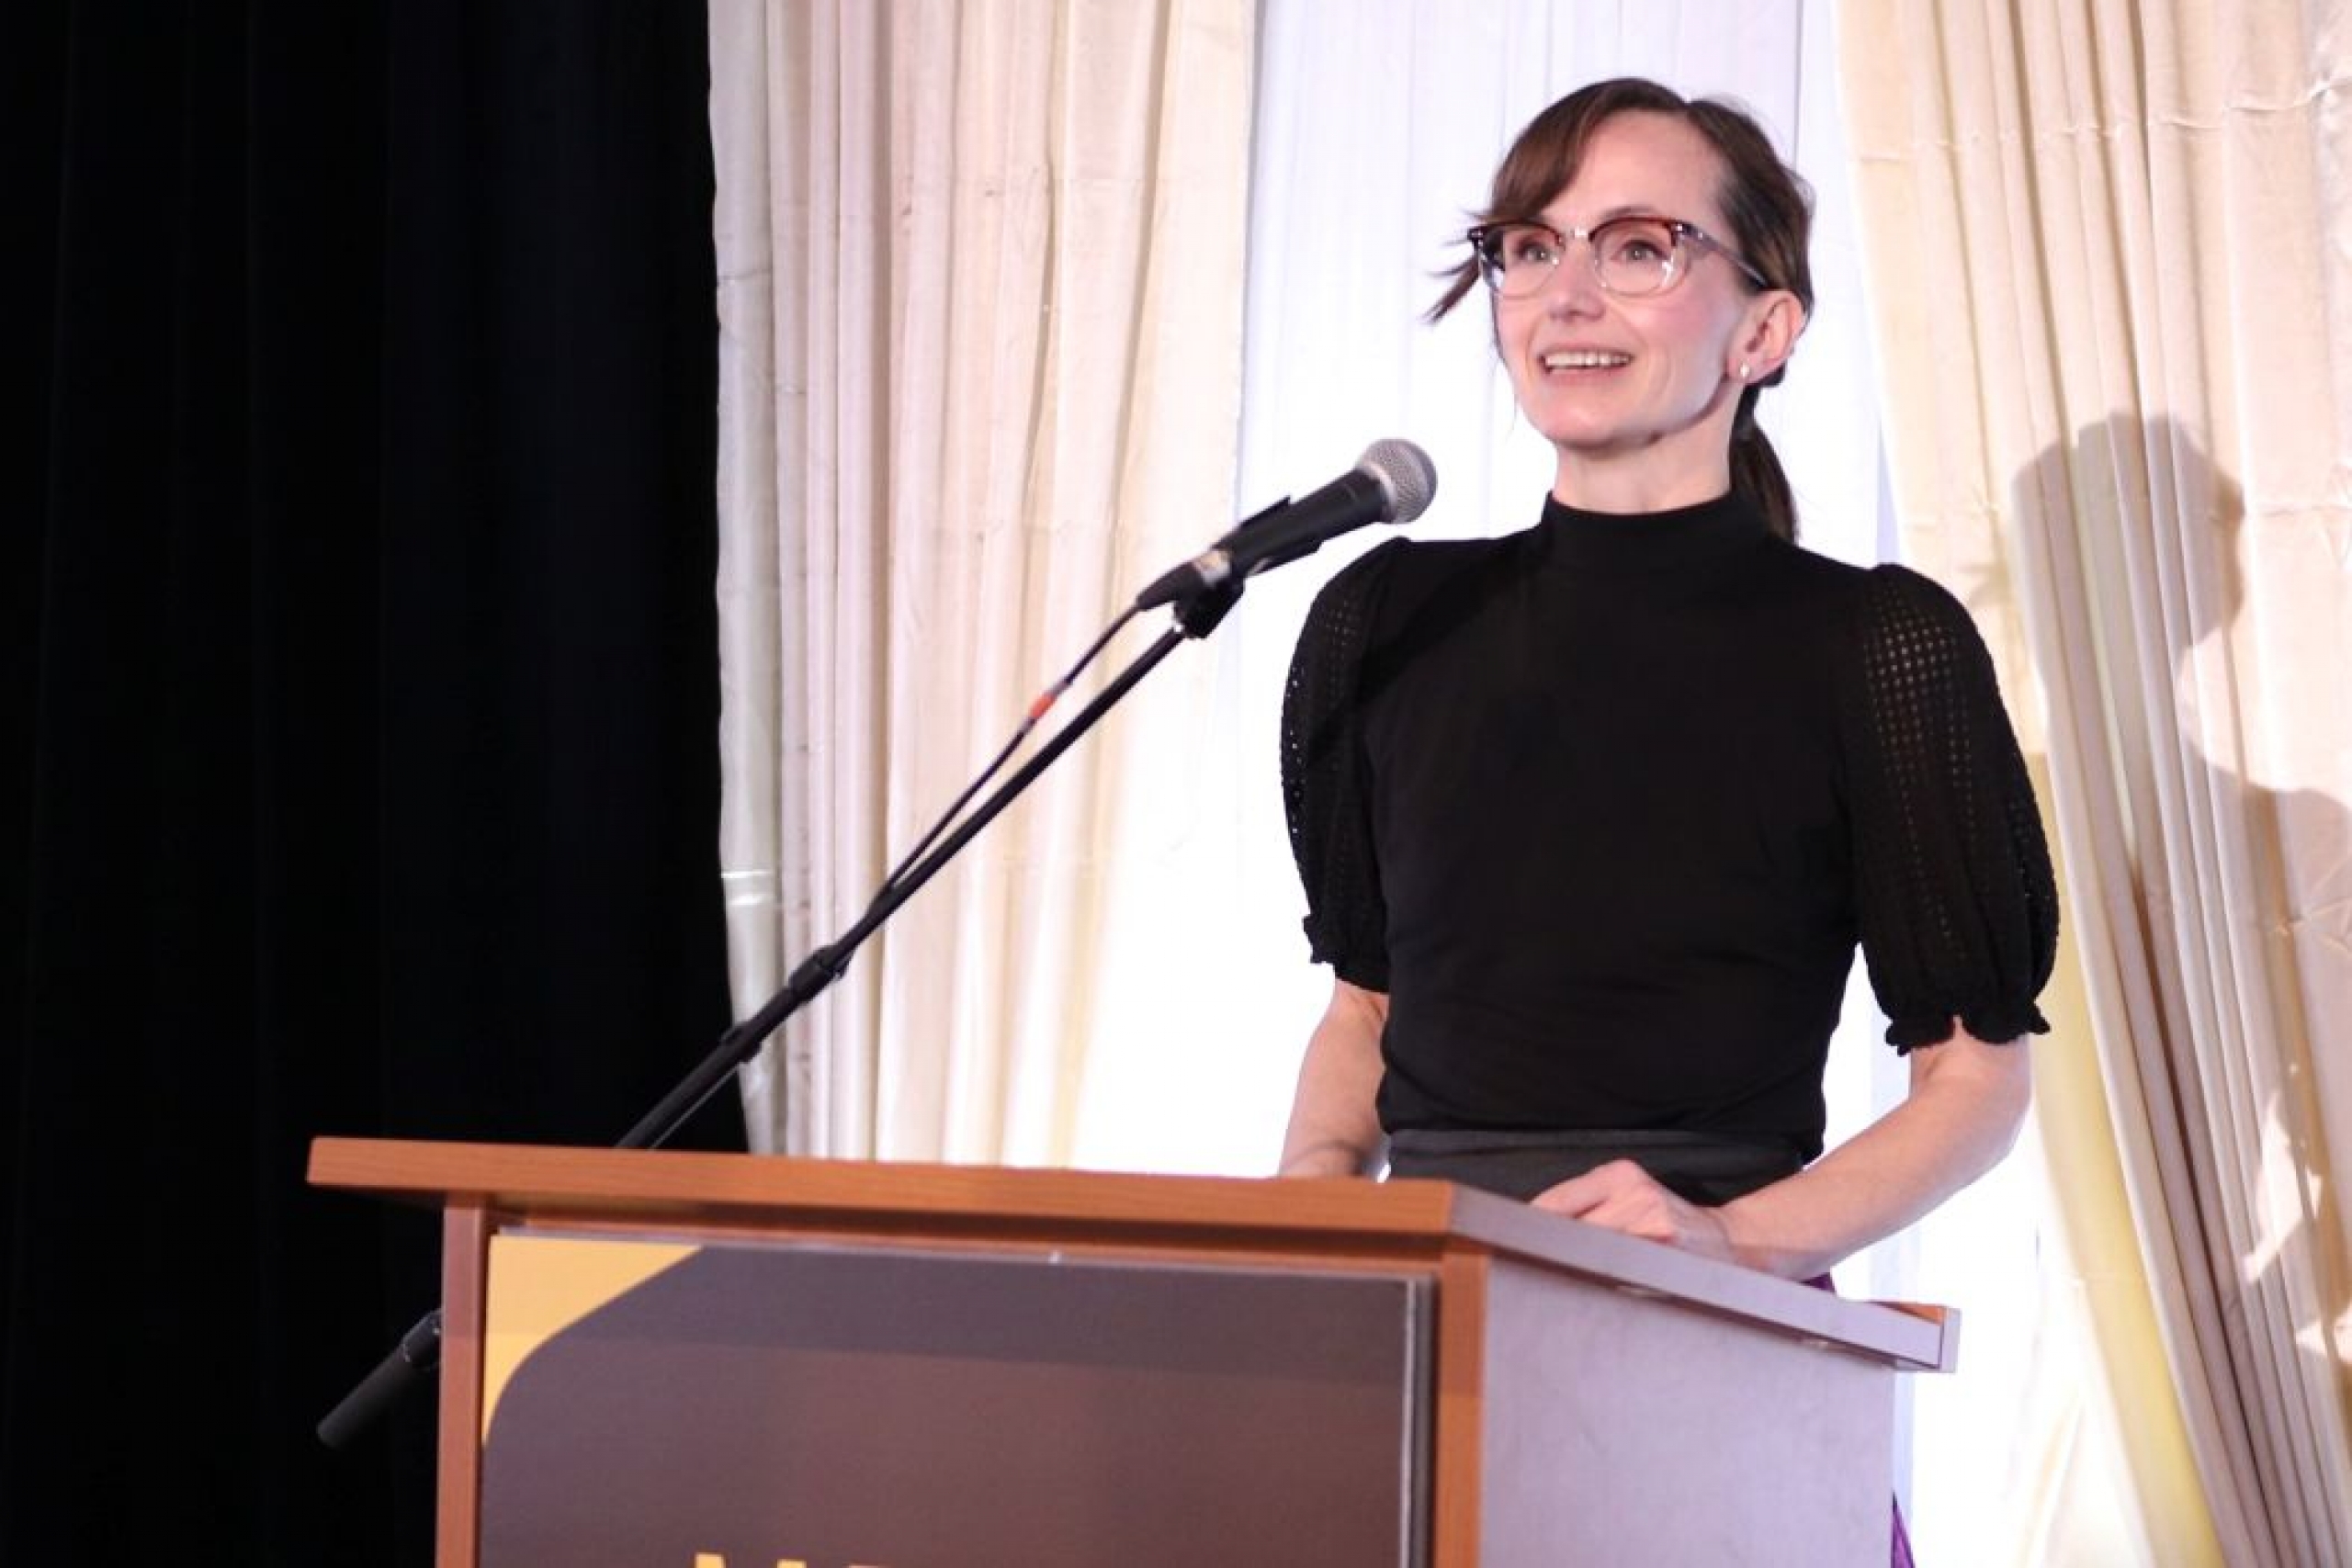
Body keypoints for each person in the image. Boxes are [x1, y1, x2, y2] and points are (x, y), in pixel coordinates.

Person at [1275, 76, 2058, 1292]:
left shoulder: (1875, 645)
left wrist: (1730, 1244)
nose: (1567, 293)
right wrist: (1314, 1209)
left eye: (1639, 247)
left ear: (1765, 332)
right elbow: (1365, 1013)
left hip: (1707, 1339)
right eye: (1531, 248)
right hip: (1413, 1309)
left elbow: (1977, 1082)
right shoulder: (1384, 622)